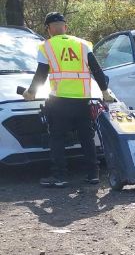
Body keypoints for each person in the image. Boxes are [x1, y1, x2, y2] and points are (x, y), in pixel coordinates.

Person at [23, 12, 115, 188]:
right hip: (83, 99)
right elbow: (97, 70)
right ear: (65, 27)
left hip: (59, 100)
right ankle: (93, 174)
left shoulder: (46, 47)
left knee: (57, 137)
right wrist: (104, 92)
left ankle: (59, 177)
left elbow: (41, 74)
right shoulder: (83, 44)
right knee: (86, 137)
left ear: (48, 29)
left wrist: (31, 92)